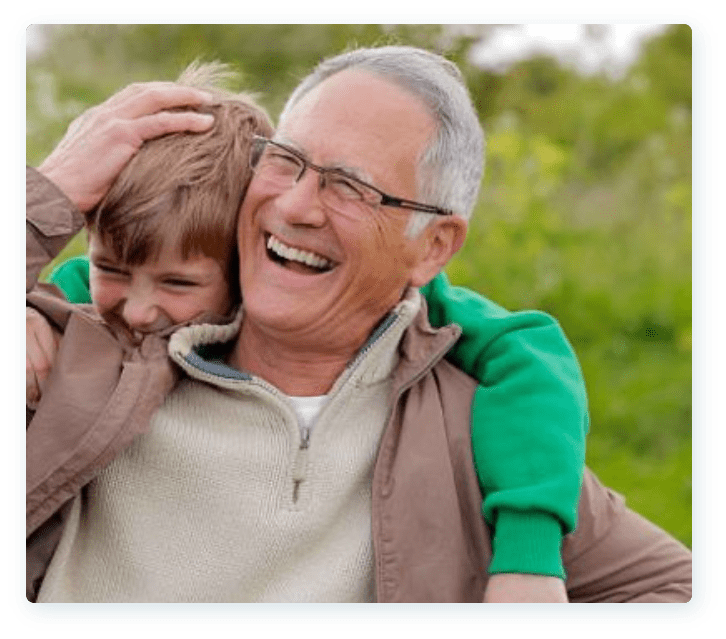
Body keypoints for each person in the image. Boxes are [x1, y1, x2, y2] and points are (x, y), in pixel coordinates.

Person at [25, 48, 691, 603]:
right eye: (285, 159)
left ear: (433, 246)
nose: (294, 206)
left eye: (350, 186)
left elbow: (682, 591)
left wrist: (527, 557)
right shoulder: (79, 349)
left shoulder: (487, 440)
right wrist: (39, 202)